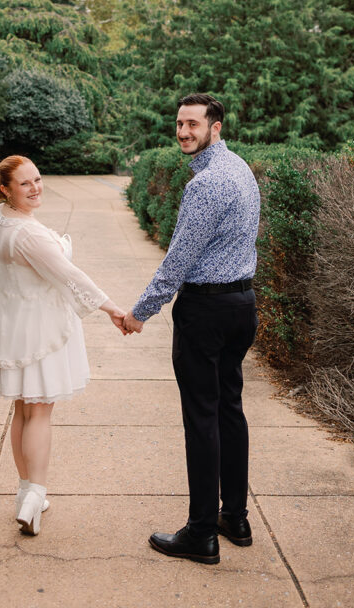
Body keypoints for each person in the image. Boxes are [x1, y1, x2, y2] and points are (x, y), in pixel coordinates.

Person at [123, 93, 260, 565]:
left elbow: (178, 261)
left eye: (193, 125)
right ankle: (235, 517)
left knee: (203, 418)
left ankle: (201, 533)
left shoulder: (206, 186)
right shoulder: (240, 169)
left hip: (207, 312)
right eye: (179, 123)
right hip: (243, 304)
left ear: (215, 127)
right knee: (229, 410)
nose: (183, 132)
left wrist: (141, 311)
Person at [0, 155, 126, 536]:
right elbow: (68, 275)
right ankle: (35, 494)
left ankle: (25, 494)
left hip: (15, 327)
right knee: (40, 414)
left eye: (38, 179)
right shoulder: (26, 234)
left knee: (22, 411)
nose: (35, 188)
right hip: (42, 332)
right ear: (5, 189)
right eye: (25, 184)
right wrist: (111, 307)